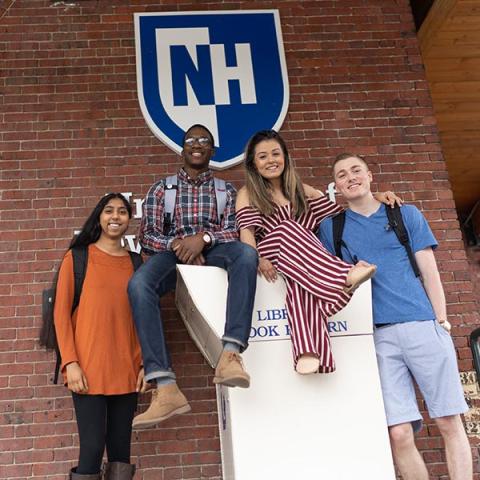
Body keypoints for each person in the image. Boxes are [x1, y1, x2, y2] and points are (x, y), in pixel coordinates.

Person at [319, 153, 472, 480]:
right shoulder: (332, 229)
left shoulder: (405, 214)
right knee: (399, 433)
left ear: (370, 175)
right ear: (336, 186)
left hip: (422, 325)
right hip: (377, 338)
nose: (351, 177)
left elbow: (430, 272)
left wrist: (441, 322)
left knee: (448, 420)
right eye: (342, 174)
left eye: (356, 170)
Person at [128, 124, 258, 429]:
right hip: (171, 255)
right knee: (139, 284)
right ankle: (165, 387)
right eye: (191, 140)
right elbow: (147, 236)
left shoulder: (226, 190)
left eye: (204, 141)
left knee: (246, 254)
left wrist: (204, 240)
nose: (197, 144)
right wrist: (180, 245)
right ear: (182, 148)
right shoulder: (163, 189)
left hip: (213, 250)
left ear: (212, 151)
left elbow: (233, 231)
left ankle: (230, 355)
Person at [235, 129, 389, 375]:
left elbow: (339, 217)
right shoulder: (247, 193)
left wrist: (374, 198)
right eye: (262, 156)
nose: (271, 160)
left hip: (305, 259)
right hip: (270, 250)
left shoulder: (301, 189)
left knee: (300, 283)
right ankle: (342, 278)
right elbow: (247, 233)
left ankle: (307, 352)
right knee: (289, 228)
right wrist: (258, 258)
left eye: (276, 153)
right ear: (254, 164)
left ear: (285, 156)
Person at [54, 193, 145, 480]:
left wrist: (146, 364)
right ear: (99, 217)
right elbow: (60, 315)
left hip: (127, 371)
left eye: (122, 212)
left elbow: (146, 319)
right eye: (109, 211)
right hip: (87, 370)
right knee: (92, 448)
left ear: (129, 220)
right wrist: (70, 362)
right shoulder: (77, 258)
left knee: (120, 451)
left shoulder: (136, 263)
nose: (115, 217)